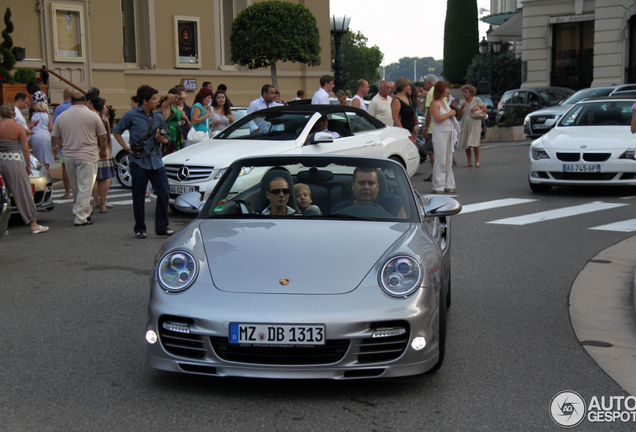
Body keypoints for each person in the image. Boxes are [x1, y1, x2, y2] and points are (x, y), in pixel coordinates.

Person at [112, 85, 174, 238]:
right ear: (145, 101)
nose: (156, 102)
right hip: (138, 162)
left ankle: (162, 227)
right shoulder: (131, 115)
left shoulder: (158, 117)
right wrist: (126, 147)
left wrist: (162, 139)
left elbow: (168, 138)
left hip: (156, 162)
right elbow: (116, 131)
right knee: (138, 196)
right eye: (153, 99)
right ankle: (140, 228)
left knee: (164, 193)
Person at [51, 93, 108, 226]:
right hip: (87, 154)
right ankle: (81, 216)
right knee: (86, 186)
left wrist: (63, 147)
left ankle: (85, 211)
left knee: (76, 186)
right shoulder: (93, 116)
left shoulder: (61, 116)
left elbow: (56, 136)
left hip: (69, 155)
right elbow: (103, 136)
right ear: (85, 102)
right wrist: (103, 150)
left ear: (71, 102)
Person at [0, 103, 49, 234]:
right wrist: (28, 165)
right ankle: (33, 223)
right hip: (14, 162)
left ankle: (2, 226)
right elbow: (25, 149)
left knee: (2, 194)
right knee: (23, 192)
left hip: (0, 161)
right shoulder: (19, 128)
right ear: (14, 115)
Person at [331, 167, 405, 217]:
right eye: (361, 183)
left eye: (371, 183)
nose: (366, 187)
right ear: (353, 186)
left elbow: (404, 226)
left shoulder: (392, 203)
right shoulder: (339, 209)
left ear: (378, 186)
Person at [87, 96, 116, 213]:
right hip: (102, 149)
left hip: (91, 148)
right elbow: (107, 136)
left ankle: (95, 201)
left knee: (93, 177)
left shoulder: (88, 116)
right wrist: (108, 150)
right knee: (103, 178)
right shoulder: (103, 118)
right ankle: (103, 204)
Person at [429, 81, 457, 194]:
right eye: (446, 89)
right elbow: (437, 119)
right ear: (441, 90)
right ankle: (438, 185)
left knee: (448, 159)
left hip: (448, 132)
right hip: (440, 132)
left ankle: (449, 183)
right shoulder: (434, 103)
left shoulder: (445, 102)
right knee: (440, 159)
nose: (448, 91)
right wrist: (449, 114)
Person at [457, 84, 487, 167]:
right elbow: (459, 114)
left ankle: (477, 160)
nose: (464, 93)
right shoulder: (462, 101)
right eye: (463, 92)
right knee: (467, 142)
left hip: (475, 123)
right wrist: (462, 107)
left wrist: (478, 109)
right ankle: (469, 161)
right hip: (465, 123)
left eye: (465, 91)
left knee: (474, 141)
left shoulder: (476, 100)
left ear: (470, 92)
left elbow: (485, 110)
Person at [52, 88, 74, 199]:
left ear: (63, 96)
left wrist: (54, 145)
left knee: (65, 167)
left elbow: (54, 128)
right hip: (77, 141)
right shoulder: (77, 108)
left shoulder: (59, 109)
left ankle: (67, 192)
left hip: (64, 142)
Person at [422, 74, 439, 181]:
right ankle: (439, 173)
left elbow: (429, 111)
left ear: (429, 82)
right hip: (440, 125)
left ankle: (435, 173)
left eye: (425, 83)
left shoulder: (431, 92)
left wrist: (426, 127)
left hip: (432, 126)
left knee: (431, 151)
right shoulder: (441, 91)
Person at [30, 101, 54, 170]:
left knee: (37, 155)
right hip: (45, 136)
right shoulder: (48, 116)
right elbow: (51, 127)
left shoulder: (33, 116)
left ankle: (38, 171)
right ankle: (46, 172)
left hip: (35, 135)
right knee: (46, 156)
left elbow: (31, 126)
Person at [161, 88, 185, 154]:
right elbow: (166, 97)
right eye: (175, 97)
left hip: (178, 129)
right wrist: (169, 96)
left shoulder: (174, 105)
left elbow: (185, 97)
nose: (176, 100)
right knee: (171, 149)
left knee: (178, 150)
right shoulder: (166, 105)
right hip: (171, 130)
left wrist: (177, 96)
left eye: (178, 98)